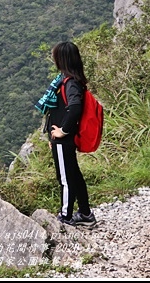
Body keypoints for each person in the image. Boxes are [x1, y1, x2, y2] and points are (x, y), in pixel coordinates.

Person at [46, 41, 96, 227]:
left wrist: (62, 131)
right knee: (74, 175)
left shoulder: (70, 83)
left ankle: (65, 217)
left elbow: (74, 108)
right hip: (62, 139)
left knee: (65, 179)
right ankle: (85, 213)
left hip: (64, 139)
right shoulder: (70, 80)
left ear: (62, 59)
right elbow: (57, 110)